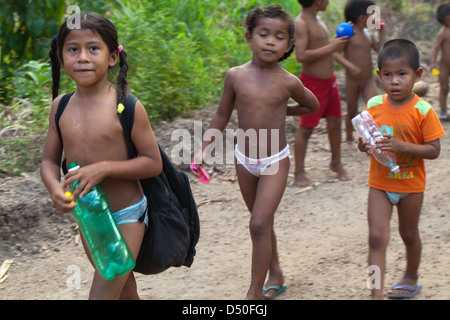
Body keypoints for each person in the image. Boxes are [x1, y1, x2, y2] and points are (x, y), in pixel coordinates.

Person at [192, 5, 319, 300]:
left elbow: (312, 106)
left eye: (279, 37)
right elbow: (222, 115)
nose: (270, 41)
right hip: (244, 159)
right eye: (264, 34)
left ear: (289, 45)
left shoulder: (288, 81)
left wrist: (283, 108)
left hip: (275, 161)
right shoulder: (235, 76)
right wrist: (203, 149)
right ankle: (275, 272)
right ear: (249, 37)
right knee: (261, 222)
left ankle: (254, 293)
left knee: (259, 222)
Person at [41, 12, 162, 299]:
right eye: (73, 49)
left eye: (93, 48)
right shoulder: (60, 107)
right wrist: (54, 187)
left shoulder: (127, 106)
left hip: (128, 215)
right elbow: (48, 160)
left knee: (102, 294)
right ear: (61, 58)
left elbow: (152, 163)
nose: (82, 57)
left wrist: (103, 169)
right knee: (124, 292)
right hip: (91, 218)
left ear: (112, 58)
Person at [357, 39, 445, 299]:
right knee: (375, 238)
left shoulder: (423, 110)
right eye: (387, 74)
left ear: (417, 75)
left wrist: (401, 146)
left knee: (408, 234)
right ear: (379, 75)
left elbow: (434, 150)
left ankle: (411, 275)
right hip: (380, 184)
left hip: (411, 187)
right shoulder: (373, 106)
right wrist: (365, 147)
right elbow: (370, 143)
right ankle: (376, 294)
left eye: (402, 74)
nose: (394, 81)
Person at [294, 0, 350, 187]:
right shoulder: (301, 22)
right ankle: (299, 172)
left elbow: (326, 49)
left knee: (335, 122)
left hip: (330, 82)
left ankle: (336, 162)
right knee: (307, 128)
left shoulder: (318, 19)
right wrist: (331, 47)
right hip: (313, 85)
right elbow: (301, 55)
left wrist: (339, 41)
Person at [341, 0, 386, 147]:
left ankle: (373, 139)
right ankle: (348, 137)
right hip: (352, 78)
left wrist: (382, 32)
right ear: (362, 18)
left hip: (368, 78)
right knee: (352, 109)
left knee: (373, 107)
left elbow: (380, 49)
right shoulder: (348, 32)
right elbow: (335, 53)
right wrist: (350, 66)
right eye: (372, 16)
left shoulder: (368, 33)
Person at [430, 3, 450, 121]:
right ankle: (443, 111)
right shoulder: (443, 33)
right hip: (444, 66)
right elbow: (435, 48)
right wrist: (433, 62)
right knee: (443, 88)